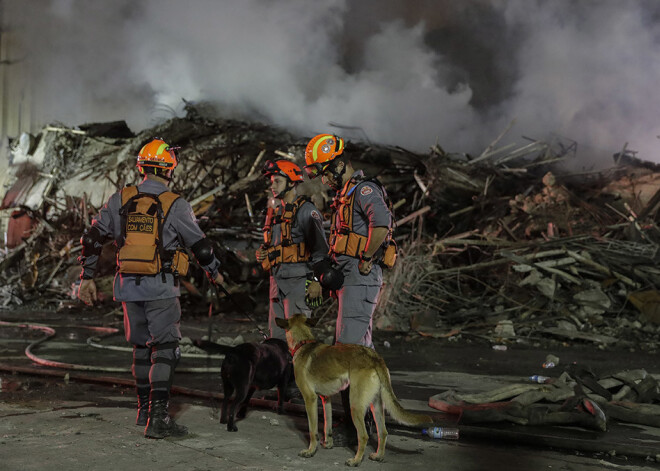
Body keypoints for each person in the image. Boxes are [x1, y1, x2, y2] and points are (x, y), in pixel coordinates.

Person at [77, 138, 224, 439]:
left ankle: (143, 410)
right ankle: (158, 419)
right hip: (161, 288)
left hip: (128, 287)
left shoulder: (121, 198)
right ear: (169, 168)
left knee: (141, 348)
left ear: (141, 166)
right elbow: (202, 248)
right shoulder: (175, 203)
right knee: (166, 348)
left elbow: (92, 238)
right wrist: (215, 275)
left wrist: (86, 277)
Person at [304, 133, 397, 444]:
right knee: (359, 354)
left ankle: (353, 428)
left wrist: (368, 257)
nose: (324, 180)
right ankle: (366, 423)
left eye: (325, 171)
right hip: (351, 280)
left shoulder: (365, 190)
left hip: (361, 277)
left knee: (347, 353)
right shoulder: (345, 195)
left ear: (339, 164)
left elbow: (380, 226)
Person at [255, 159, 329, 339]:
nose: (273, 185)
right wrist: (262, 254)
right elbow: (274, 246)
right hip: (276, 283)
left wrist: (315, 280)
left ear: (291, 182)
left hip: (298, 284)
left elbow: (321, 250)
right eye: (272, 181)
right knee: (276, 341)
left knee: (298, 342)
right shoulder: (275, 213)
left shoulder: (306, 211)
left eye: (277, 181)